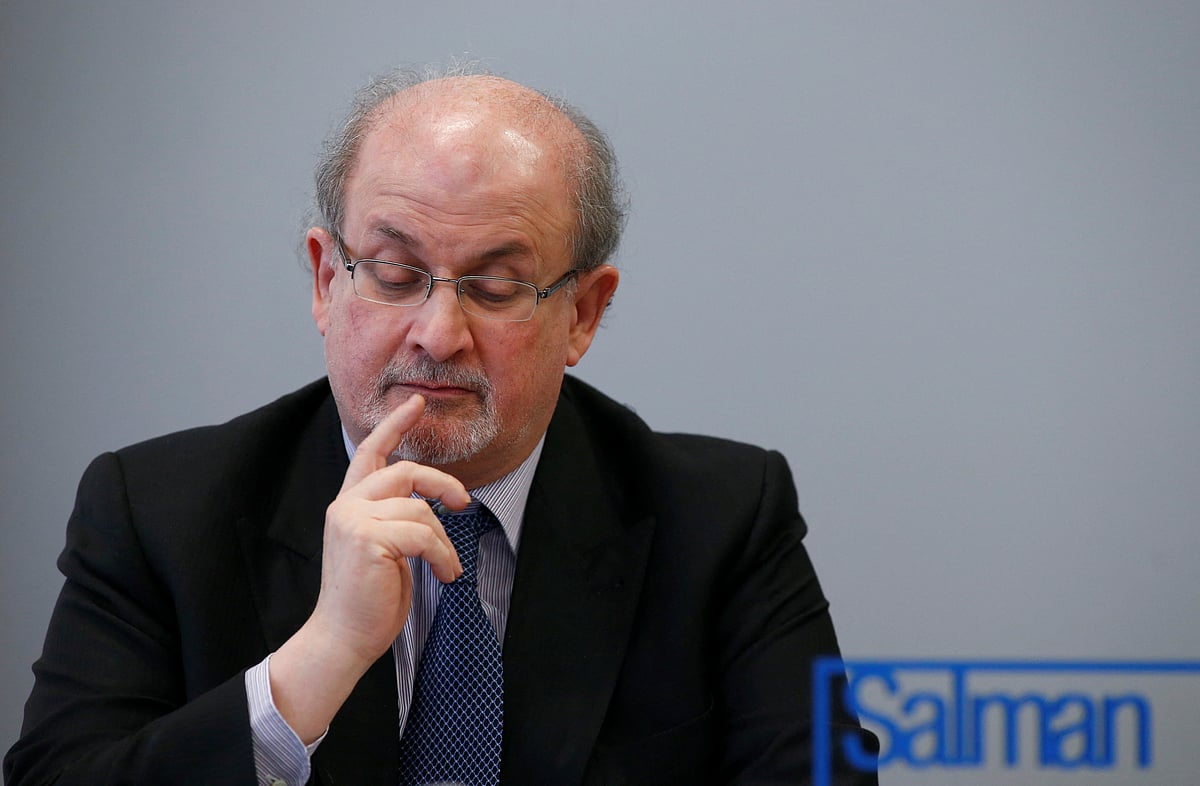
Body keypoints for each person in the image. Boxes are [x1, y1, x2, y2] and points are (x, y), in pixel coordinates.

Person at [4, 65, 876, 785]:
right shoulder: (156, 511)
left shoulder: (723, 519)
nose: (436, 331)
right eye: (391, 272)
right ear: (324, 280)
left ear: (582, 314)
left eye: (496, 287)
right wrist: (317, 661)